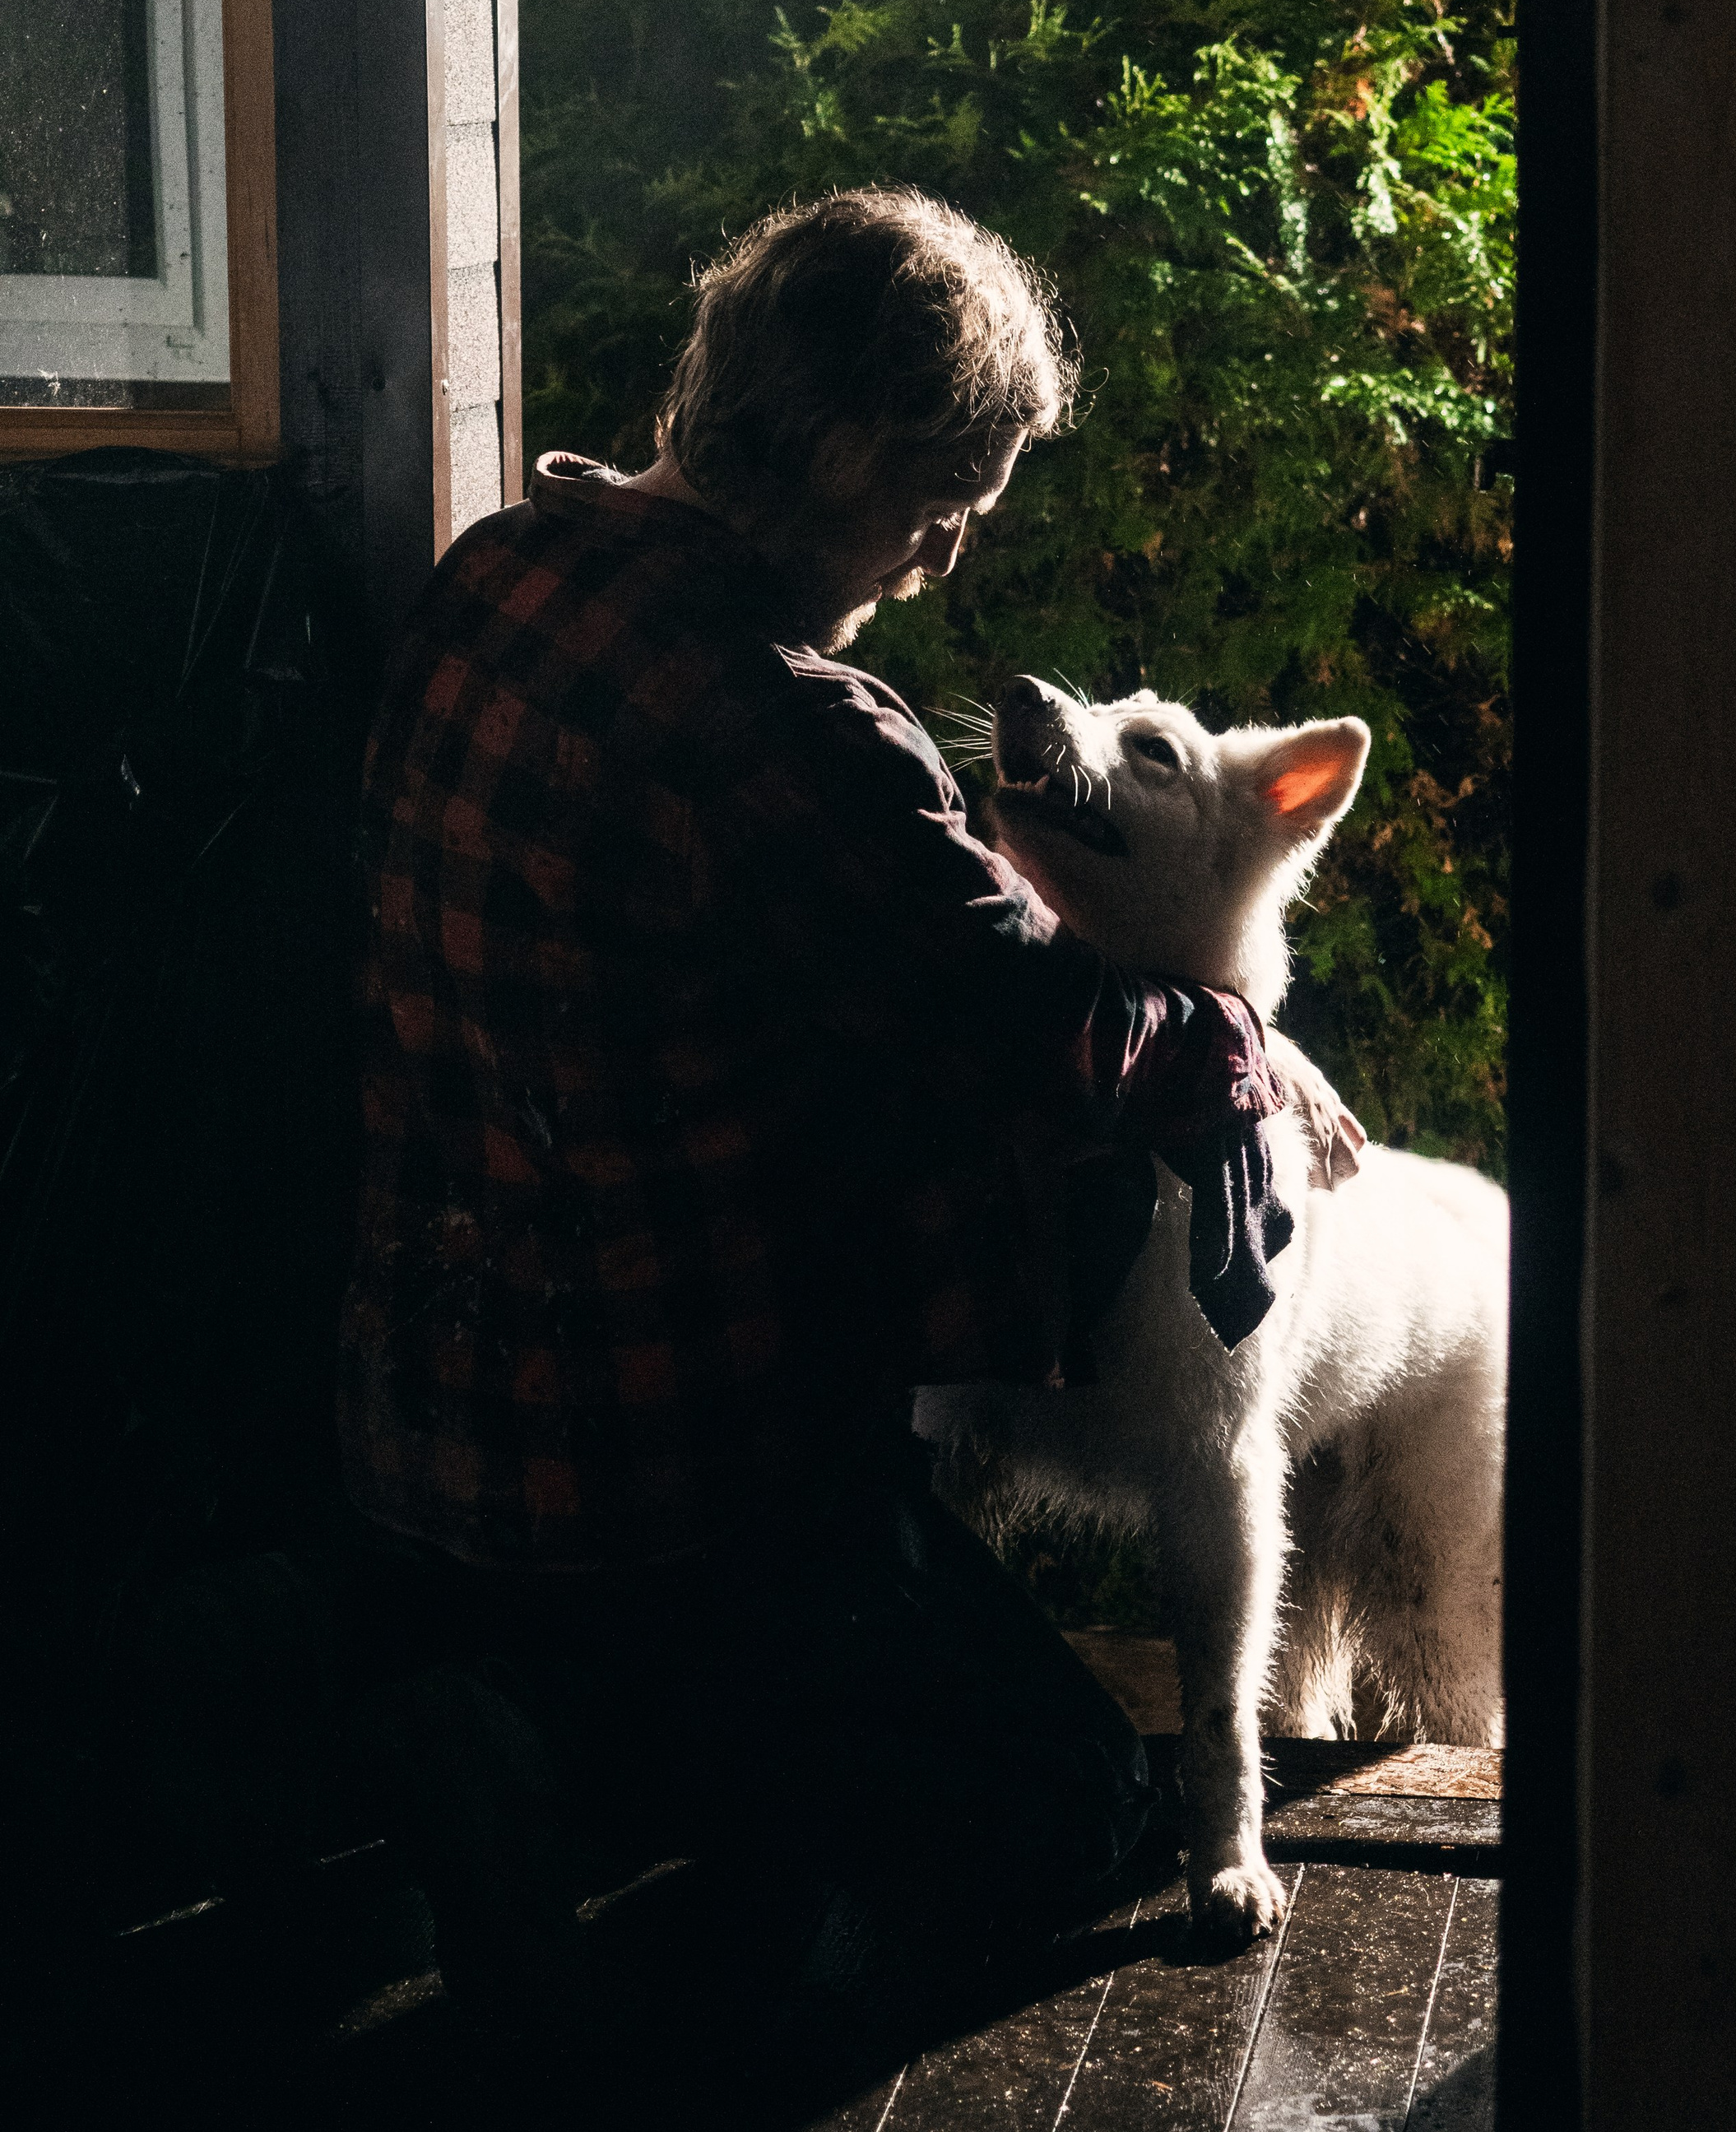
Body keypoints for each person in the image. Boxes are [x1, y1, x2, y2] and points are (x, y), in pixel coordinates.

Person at [327, 186, 1357, 2060]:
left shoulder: (496, 576)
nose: (944, 560)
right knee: (1067, 1809)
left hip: (422, 1440)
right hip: (676, 1479)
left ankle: (534, 1722)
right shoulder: (789, 724)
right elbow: (1048, 1030)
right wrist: (1233, 1036)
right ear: (838, 446)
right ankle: (615, 1820)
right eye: (942, 502)